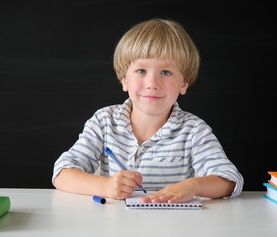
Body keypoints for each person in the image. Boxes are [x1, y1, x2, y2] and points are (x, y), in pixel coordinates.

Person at [52, 18, 243, 203]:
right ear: (124, 79)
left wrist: (193, 186)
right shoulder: (104, 121)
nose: (152, 84)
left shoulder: (193, 130)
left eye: (166, 73)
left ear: (184, 83)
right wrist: (106, 186)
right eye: (141, 71)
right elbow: (62, 173)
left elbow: (230, 180)